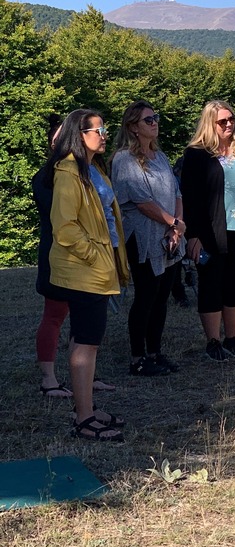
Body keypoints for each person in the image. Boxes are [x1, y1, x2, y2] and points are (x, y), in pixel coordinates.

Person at [46, 109, 129, 441]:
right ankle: (84, 419)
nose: (104, 134)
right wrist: (96, 256)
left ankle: (87, 409)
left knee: (87, 341)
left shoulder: (91, 169)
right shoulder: (68, 171)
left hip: (95, 267)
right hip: (83, 270)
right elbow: (65, 227)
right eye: (99, 129)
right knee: (87, 342)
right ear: (80, 134)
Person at [180, 101, 235, 361]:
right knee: (211, 284)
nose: (229, 124)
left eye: (231, 119)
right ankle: (213, 341)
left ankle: (233, 338)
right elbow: (189, 197)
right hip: (211, 230)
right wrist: (192, 234)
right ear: (209, 124)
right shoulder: (196, 154)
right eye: (222, 121)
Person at [110, 101, 184, 377]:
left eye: (156, 118)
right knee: (146, 296)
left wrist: (176, 228)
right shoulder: (124, 160)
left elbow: (177, 192)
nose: (155, 123)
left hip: (168, 237)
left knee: (162, 296)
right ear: (132, 127)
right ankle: (137, 358)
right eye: (148, 120)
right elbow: (142, 202)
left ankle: (155, 352)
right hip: (142, 238)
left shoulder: (160, 157)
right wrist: (173, 223)